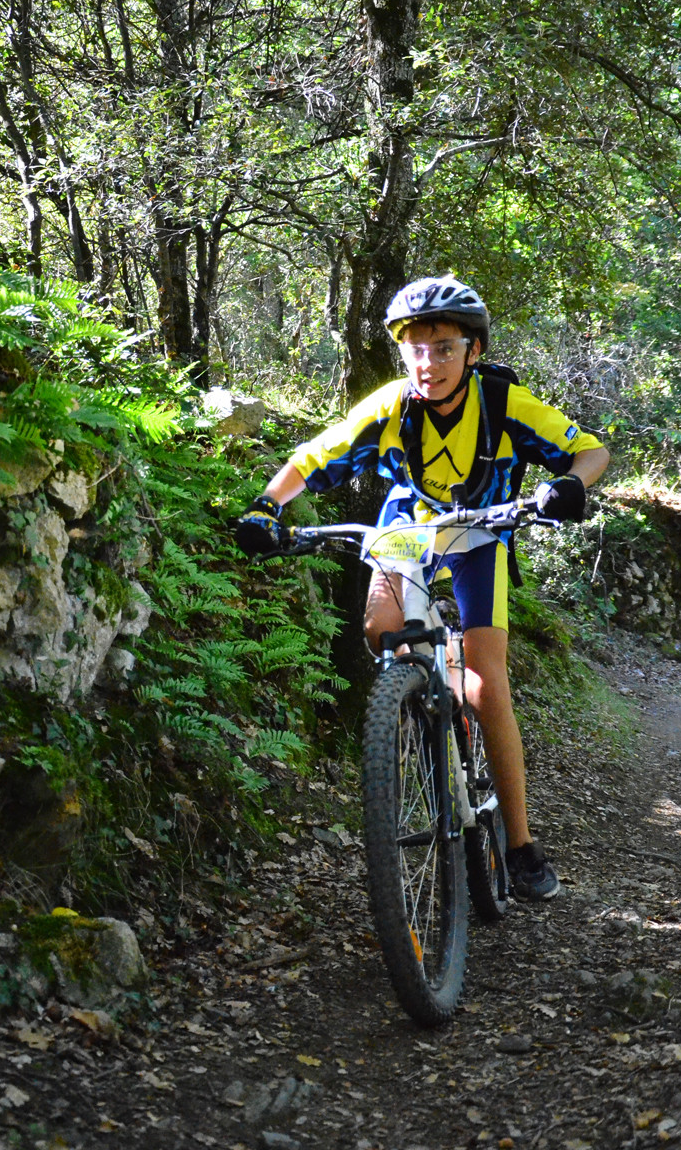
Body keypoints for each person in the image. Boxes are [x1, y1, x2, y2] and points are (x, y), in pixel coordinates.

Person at [235, 275, 609, 900]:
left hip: (482, 530)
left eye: (442, 347)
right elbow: (311, 458)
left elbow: (589, 452)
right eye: (414, 347)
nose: (426, 362)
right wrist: (265, 507)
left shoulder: (504, 403)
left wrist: (568, 486)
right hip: (410, 526)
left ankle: (519, 845)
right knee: (381, 628)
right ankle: (425, 692)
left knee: (490, 683)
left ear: (473, 351)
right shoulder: (390, 405)